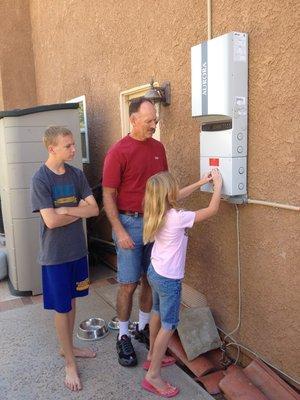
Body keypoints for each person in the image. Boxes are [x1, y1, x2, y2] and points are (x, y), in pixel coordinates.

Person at [141, 169, 222, 397]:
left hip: (154, 272)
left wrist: (201, 182)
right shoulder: (177, 217)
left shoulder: (154, 209)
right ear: (169, 194)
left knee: (157, 311)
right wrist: (217, 184)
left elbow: (177, 194)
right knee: (169, 326)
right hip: (168, 280)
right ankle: (153, 376)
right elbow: (212, 209)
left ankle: (150, 357)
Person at [30, 126, 99, 392]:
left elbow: (94, 209)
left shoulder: (76, 174)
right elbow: (50, 220)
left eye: (73, 144)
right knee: (61, 307)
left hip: (77, 252)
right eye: (68, 145)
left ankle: (67, 348)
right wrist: (79, 210)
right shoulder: (41, 179)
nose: (74, 149)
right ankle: (69, 362)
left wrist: (68, 209)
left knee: (71, 302)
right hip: (55, 256)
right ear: (52, 148)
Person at [102, 97, 168, 367]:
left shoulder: (158, 148)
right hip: (128, 224)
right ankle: (123, 335)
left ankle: (142, 328)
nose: (154, 124)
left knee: (150, 280)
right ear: (133, 119)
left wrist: (170, 222)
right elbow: (108, 195)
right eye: (149, 120)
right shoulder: (118, 151)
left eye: (155, 120)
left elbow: (164, 187)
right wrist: (119, 230)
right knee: (128, 284)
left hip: (155, 224)